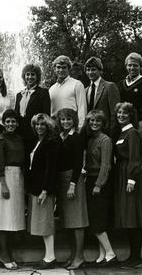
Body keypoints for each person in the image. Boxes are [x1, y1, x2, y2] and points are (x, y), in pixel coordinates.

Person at [113, 102, 142, 269]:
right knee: (127, 216)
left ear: (131, 115)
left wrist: (131, 180)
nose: (121, 115)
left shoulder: (132, 133)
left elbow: (135, 158)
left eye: (124, 113)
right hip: (122, 174)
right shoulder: (122, 132)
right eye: (119, 112)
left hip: (130, 177)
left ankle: (136, 257)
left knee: (133, 216)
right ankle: (133, 256)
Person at [0, 109, 26, 270]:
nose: (10, 124)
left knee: (13, 220)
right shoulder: (0, 139)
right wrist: (3, 185)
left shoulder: (20, 139)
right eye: (8, 121)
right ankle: (4, 255)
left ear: (17, 123)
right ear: (3, 123)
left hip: (18, 178)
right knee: (4, 219)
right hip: (5, 178)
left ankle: (9, 255)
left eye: (13, 121)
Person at [82, 110, 117, 268]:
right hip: (89, 179)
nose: (94, 124)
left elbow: (106, 165)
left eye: (97, 121)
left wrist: (98, 184)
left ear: (103, 123)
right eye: (91, 121)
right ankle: (103, 254)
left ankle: (110, 253)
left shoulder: (105, 140)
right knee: (97, 219)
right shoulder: (91, 140)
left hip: (100, 182)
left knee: (97, 219)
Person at [55, 108, 88, 270]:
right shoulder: (60, 137)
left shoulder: (76, 137)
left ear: (74, 120)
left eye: (68, 119)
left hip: (72, 180)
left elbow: (77, 163)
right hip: (62, 180)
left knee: (77, 220)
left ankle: (80, 256)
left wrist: (72, 185)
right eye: (62, 119)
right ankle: (72, 255)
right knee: (68, 220)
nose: (65, 122)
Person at [117, 52, 142, 184]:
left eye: (135, 65)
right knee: (124, 158)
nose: (132, 68)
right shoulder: (120, 85)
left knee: (141, 161)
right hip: (123, 127)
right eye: (129, 65)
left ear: (140, 67)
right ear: (126, 66)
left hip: (140, 126)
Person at [25, 113, 58, 270]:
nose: (39, 127)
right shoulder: (37, 142)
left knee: (46, 223)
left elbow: (51, 169)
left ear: (47, 126)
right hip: (36, 188)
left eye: (42, 124)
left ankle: (50, 256)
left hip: (44, 189)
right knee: (41, 223)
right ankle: (49, 255)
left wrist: (45, 190)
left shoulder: (50, 143)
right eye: (37, 124)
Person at [14, 64, 50, 150]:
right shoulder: (19, 95)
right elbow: (16, 114)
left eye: (33, 74)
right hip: (21, 133)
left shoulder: (43, 92)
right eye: (27, 74)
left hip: (35, 132)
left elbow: (45, 114)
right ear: (24, 76)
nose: (30, 77)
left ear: (37, 77)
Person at [84, 57, 120, 136]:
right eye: (88, 70)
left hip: (106, 132)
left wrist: (113, 133)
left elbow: (115, 113)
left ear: (100, 71)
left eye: (93, 69)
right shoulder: (85, 90)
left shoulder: (109, 86)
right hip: (91, 133)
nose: (90, 72)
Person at [49, 55, 87, 130]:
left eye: (64, 67)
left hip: (72, 127)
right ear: (54, 69)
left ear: (69, 68)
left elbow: (82, 108)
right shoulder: (51, 89)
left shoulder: (77, 84)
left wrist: (80, 127)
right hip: (56, 129)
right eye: (58, 67)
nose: (61, 70)